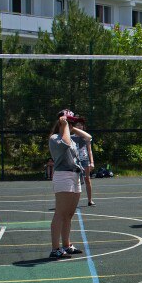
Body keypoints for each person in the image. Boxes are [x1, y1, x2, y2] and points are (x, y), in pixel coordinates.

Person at [48, 110, 85, 259]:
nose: (70, 124)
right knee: (60, 213)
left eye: (72, 122)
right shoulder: (55, 138)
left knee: (69, 214)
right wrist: (64, 126)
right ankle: (55, 248)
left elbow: (88, 137)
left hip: (75, 175)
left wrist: (72, 127)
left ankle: (67, 245)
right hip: (63, 175)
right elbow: (66, 143)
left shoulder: (71, 136)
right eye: (68, 122)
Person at [71, 121, 96, 206]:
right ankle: (72, 201)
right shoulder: (71, 137)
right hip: (75, 160)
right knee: (74, 179)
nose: (79, 126)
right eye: (77, 125)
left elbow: (89, 150)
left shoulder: (86, 137)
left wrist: (92, 162)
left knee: (87, 179)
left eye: (81, 125)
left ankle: (90, 200)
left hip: (84, 160)